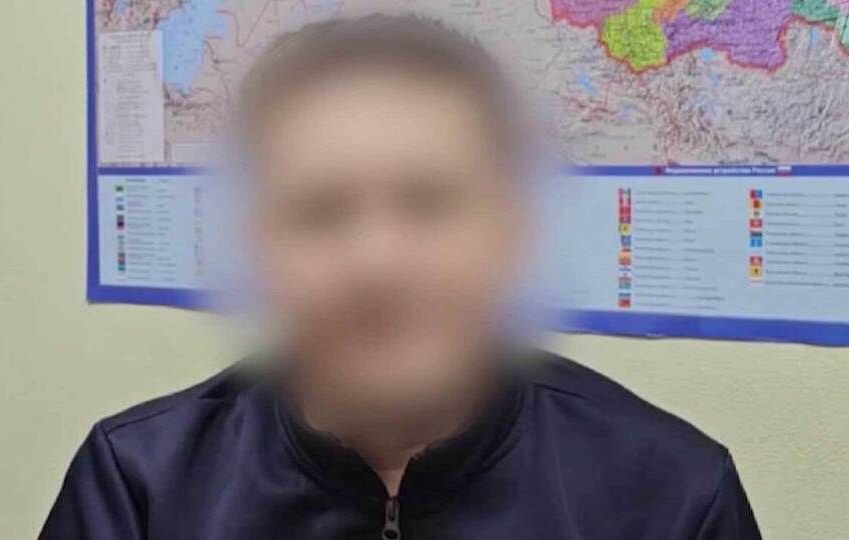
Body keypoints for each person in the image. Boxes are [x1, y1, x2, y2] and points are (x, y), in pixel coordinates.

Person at [41, 14, 760, 539]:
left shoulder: (675, 496)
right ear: (260, 247)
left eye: (428, 203)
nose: (376, 263)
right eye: (321, 211)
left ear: (509, 233)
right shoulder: (138, 486)